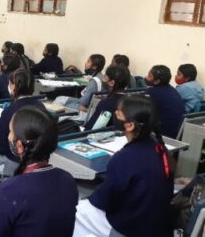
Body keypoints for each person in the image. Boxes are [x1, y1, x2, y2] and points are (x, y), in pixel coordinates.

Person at [74, 95, 174, 237]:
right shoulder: (159, 148)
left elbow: (104, 201)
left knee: (77, 210)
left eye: (119, 112)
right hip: (156, 224)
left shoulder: (125, 157)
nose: (115, 113)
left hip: (130, 227)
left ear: (130, 125)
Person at [0, 107, 78, 237]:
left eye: (10, 132)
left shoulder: (7, 191)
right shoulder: (67, 180)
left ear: (20, 146)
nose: (8, 136)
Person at [0, 69, 46, 177]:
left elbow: (1, 147)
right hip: (37, 156)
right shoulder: (41, 106)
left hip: (14, 160)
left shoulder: (9, 111)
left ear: (13, 86)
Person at [84, 66, 130, 130]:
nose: (103, 80)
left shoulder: (106, 103)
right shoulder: (131, 101)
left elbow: (90, 129)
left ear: (112, 83)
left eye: (105, 77)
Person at [145, 65, 185, 138]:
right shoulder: (172, 90)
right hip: (176, 132)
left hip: (163, 134)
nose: (146, 77)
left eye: (149, 76)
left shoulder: (152, 92)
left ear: (157, 81)